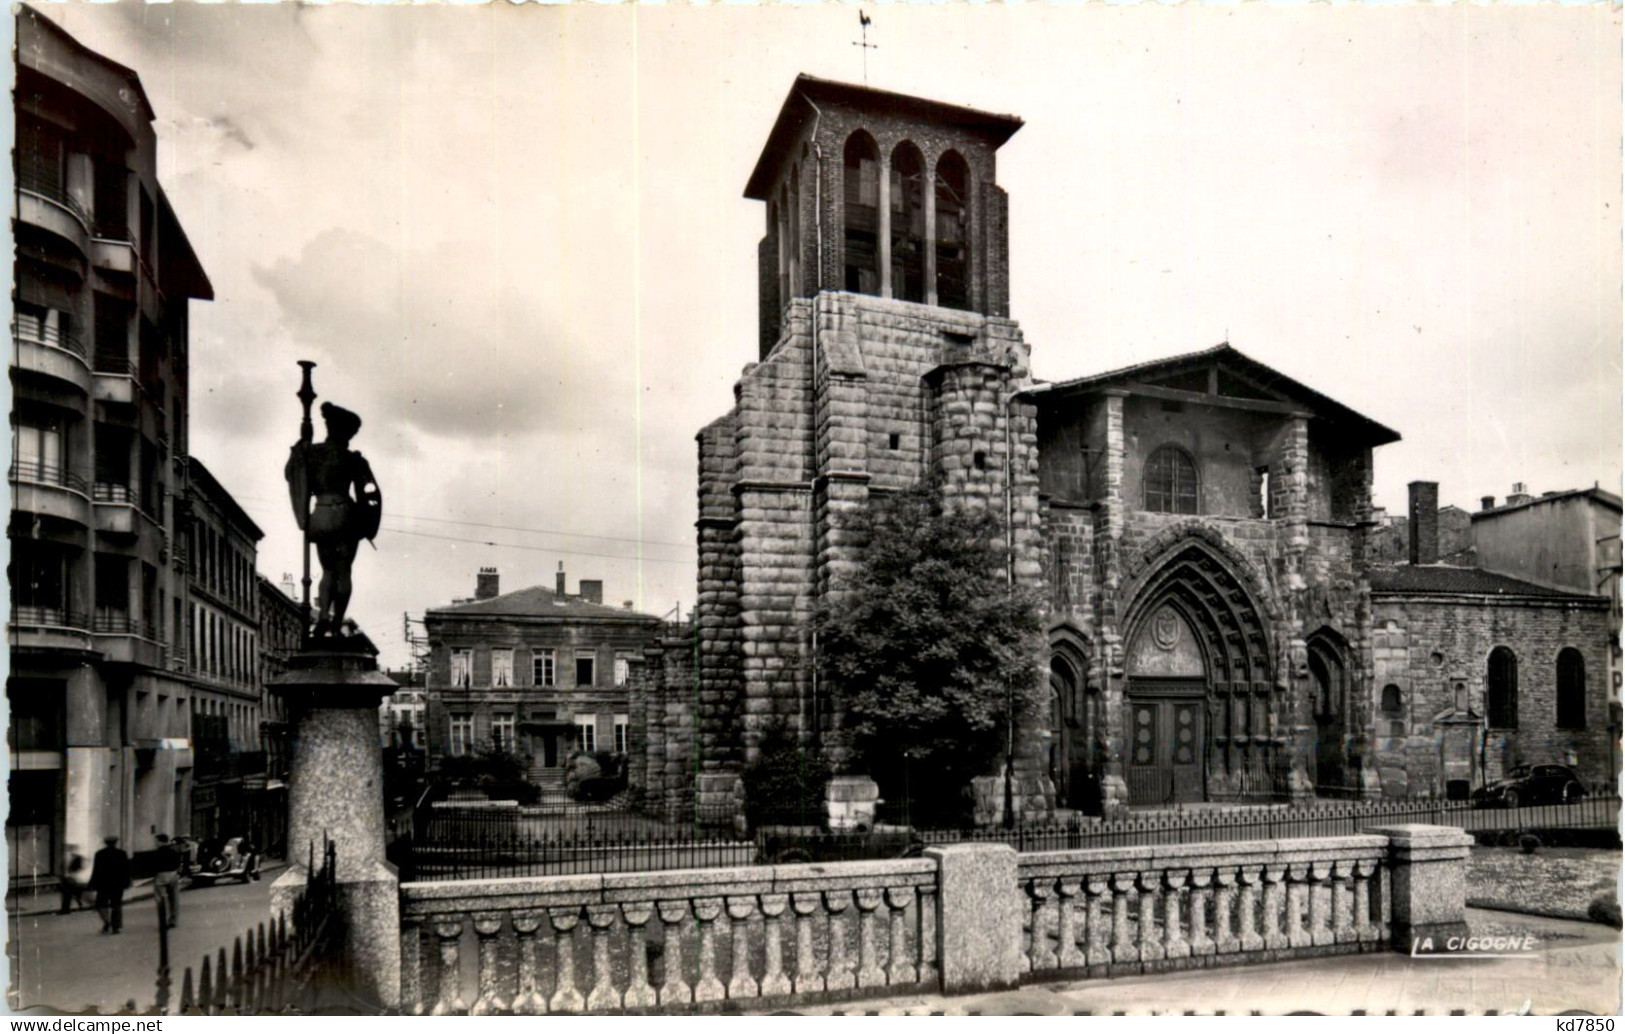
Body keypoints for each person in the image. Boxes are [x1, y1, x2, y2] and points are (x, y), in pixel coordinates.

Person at [285, 402, 381, 637]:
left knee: (327, 571)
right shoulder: (354, 459)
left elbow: (291, 474)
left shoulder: (311, 452)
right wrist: (366, 523)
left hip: (321, 516)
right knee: (344, 571)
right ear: (347, 432)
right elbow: (368, 493)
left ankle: (323, 619)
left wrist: (298, 449)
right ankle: (337, 624)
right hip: (345, 516)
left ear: (329, 427)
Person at [89, 836, 131, 934]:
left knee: (100, 905)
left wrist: (92, 883)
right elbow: (126, 870)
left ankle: (107, 922)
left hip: (103, 884)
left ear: (105, 843)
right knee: (116, 905)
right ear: (116, 843)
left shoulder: (99, 854)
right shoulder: (122, 853)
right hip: (117, 884)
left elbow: (96, 870)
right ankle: (115, 927)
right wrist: (127, 882)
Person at [152, 834, 182, 929]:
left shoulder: (156, 853)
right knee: (174, 898)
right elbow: (178, 862)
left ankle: (163, 919)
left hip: (161, 875)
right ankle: (173, 919)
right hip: (173, 874)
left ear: (160, 842)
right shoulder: (173, 851)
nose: (155, 843)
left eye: (156, 841)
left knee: (160, 899)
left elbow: (152, 865)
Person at [57, 845, 85, 915]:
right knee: (66, 894)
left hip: (73, 878)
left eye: (73, 849)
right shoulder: (66, 857)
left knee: (70, 893)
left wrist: (74, 874)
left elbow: (80, 867)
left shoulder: (79, 858)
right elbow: (62, 867)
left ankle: (67, 908)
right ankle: (66, 909)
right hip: (65, 877)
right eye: (70, 849)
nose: (71, 851)